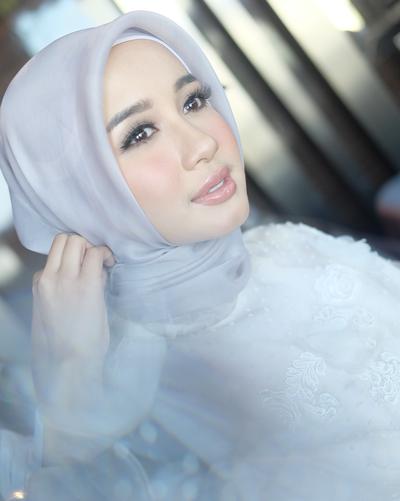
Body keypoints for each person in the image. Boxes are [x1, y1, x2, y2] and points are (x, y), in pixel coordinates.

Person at [1, 9, 400, 501]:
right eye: (139, 133)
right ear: (82, 193)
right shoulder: (137, 394)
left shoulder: (291, 246)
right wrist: (73, 391)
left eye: (193, 101)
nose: (204, 143)